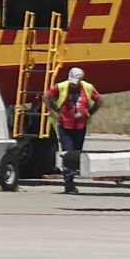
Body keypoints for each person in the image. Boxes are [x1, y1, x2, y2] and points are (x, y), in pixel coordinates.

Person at [51, 66, 103, 194]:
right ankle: (69, 182)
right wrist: (55, 111)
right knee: (68, 152)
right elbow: (48, 97)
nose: (73, 85)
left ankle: (71, 178)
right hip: (65, 125)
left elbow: (99, 100)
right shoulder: (62, 86)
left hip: (80, 126)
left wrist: (90, 112)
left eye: (75, 83)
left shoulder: (88, 87)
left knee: (76, 153)